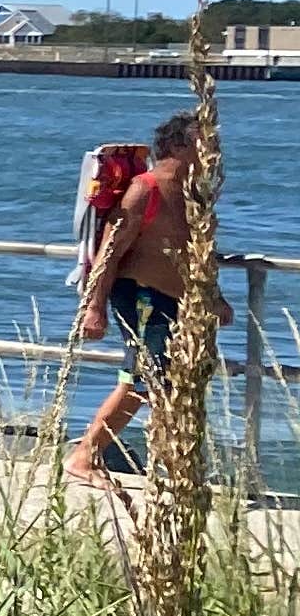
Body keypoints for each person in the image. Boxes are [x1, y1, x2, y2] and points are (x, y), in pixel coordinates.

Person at [71, 109, 204, 486]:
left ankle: (173, 469)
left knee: (158, 383)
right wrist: (94, 308)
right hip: (141, 296)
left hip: (175, 302)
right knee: (143, 382)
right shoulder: (144, 189)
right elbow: (110, 253)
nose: (212, 149)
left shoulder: (191, 194)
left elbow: (195, 251)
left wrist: (217, 298)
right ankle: (86, 456)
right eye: (203, 141)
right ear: (179, 146)